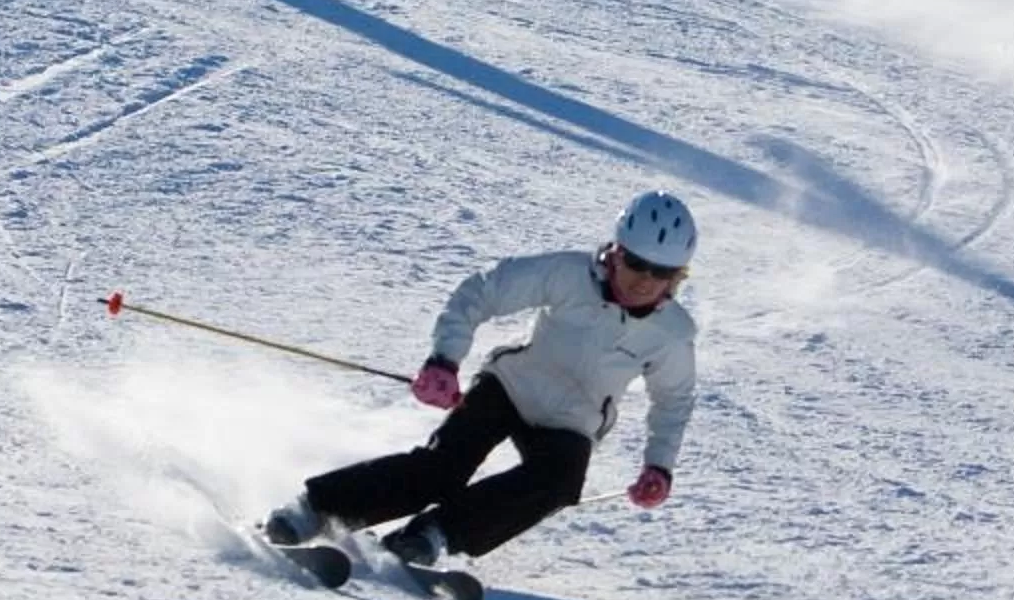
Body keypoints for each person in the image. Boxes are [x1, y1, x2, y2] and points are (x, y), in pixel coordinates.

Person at [265, 192, 702, 571]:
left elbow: (673, 401)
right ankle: (312, 511)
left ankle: (431, 537)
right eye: (636, 263)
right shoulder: (569, 274)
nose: (645, 281)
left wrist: (658, 465)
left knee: (560, 483)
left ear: (677, 276)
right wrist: (444, 360)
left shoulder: (673, 333)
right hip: (510, 386)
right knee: (441, 470)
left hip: (574, 420)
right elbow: (483, 291)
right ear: (617, 252)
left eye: (661, 272)